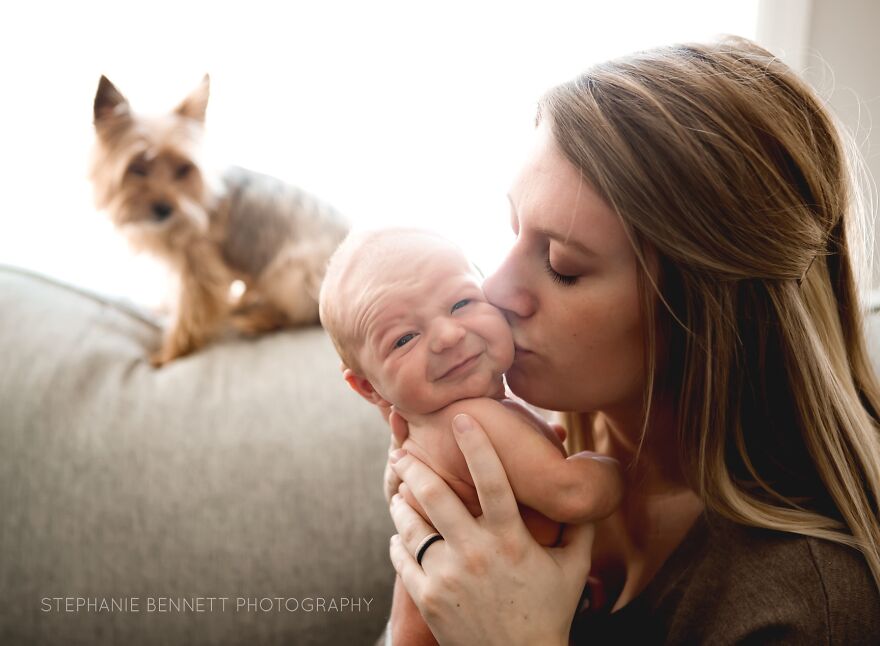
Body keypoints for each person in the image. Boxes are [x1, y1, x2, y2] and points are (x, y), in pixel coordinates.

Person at [381, 36, 880, 644]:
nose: (499, 289)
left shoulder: (809, 610)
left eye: (563, 264)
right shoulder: (514, 453)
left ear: (700, 315)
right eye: (513, 231)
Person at [317, 228, 622, 644]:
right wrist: (608, 467)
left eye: (462, 303)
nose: (448, 335)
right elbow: (574, 495)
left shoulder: (423, 435)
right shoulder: (468, 419)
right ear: (368, 388)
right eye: (404, 339)